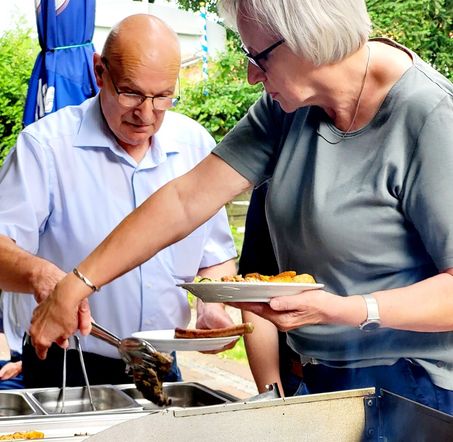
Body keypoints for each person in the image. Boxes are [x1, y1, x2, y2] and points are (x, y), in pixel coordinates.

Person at [30, 0, 453, 414]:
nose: (251, 75)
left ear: (307, 40)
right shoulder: (287, 107)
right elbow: (184, 200)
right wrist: (77, 284)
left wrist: (345, 310)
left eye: (258, 58)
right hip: (316, 379)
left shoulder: (428, 115)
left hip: (411, 390)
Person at [0, 14, 237, 388]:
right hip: (67, 364)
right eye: (130, 92)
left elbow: (216, 256)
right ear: (99, 72)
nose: (146, 114)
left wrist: (212, 305)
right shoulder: (44, 147)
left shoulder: (196, 145)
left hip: (161, 364)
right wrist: (41, 275)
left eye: (162, 96)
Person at [238, 183, 302, 396]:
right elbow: (256, 295)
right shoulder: (272, 180)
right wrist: (273, 398)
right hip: (297, 377)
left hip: (397, 374)